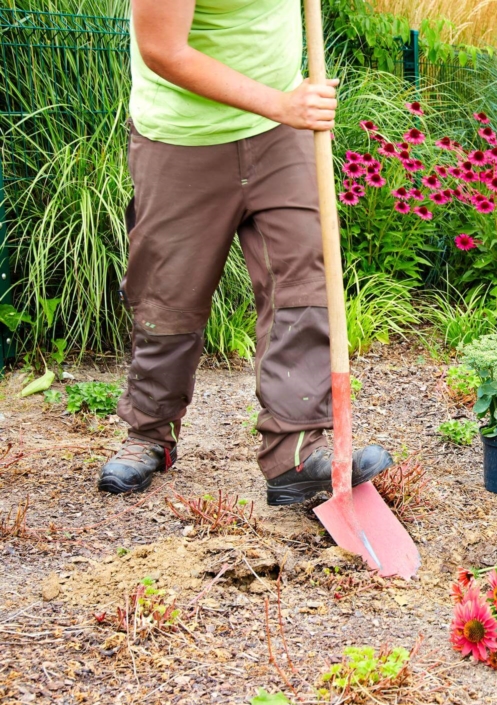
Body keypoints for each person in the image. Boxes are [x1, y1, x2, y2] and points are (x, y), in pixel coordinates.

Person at [99, 0, 392, 505]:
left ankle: (296, 454)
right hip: (184, 139)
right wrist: (282, 104)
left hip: (280, 136)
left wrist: (285, 113)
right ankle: (148, 433)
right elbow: (161, 49)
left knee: (302, 281)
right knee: (169, 294)